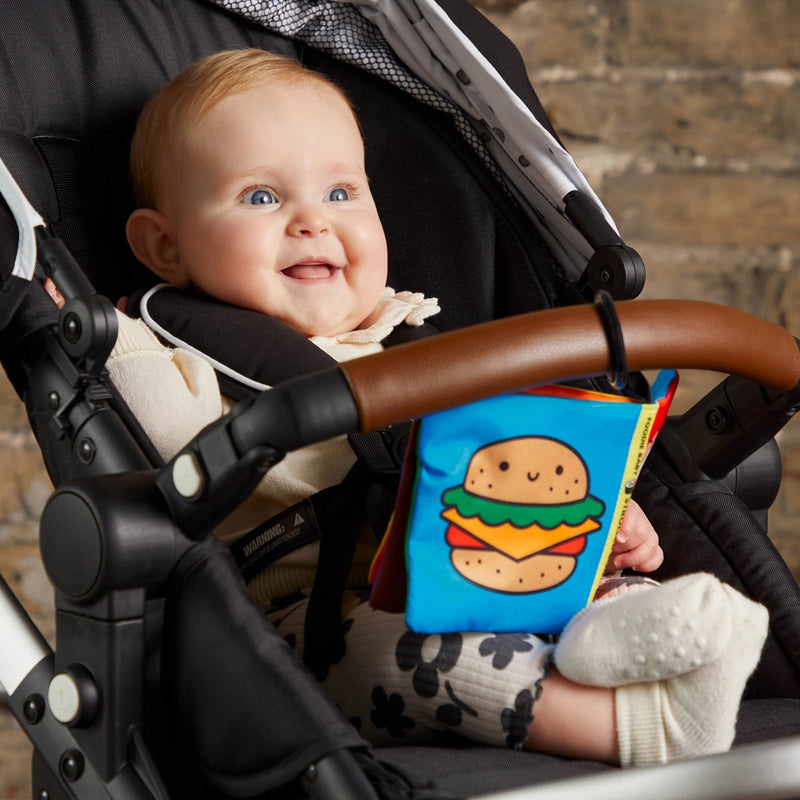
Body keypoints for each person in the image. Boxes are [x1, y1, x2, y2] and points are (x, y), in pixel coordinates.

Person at [50, 48, 767, 768]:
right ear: (165, 247)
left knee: (606, 581)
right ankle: (646, 727)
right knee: (402, 651)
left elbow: (523, 453)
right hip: (323, 618)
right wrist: (94, 336)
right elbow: (166, 433)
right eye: (262, 198)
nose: (312, 222)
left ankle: (627, 636)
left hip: (498, 565)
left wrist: (605, 517)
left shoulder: (416, 335)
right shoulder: (176, 351)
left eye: (341, 193)